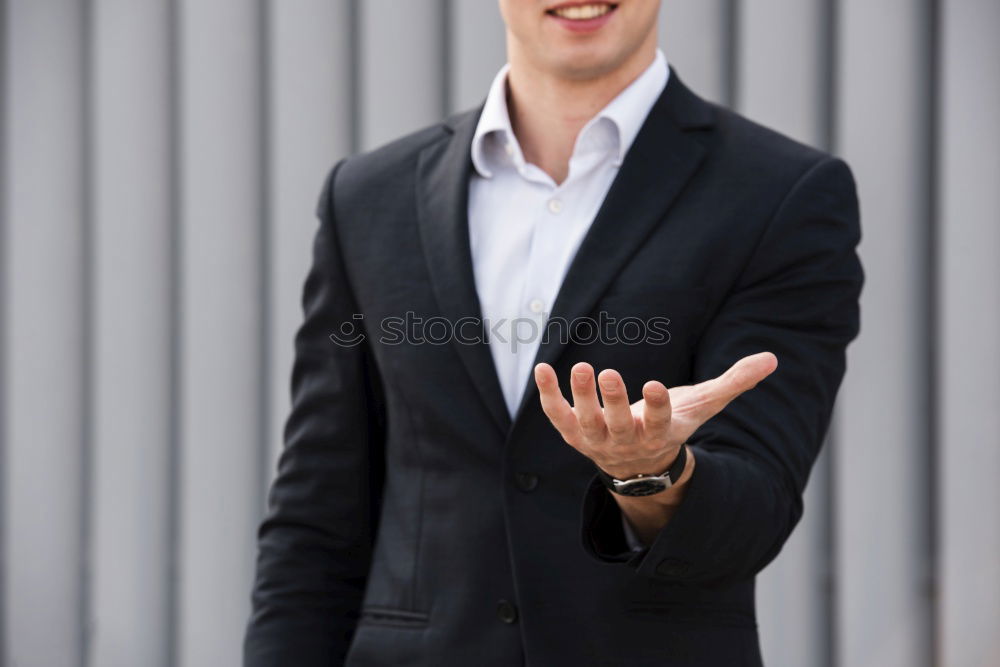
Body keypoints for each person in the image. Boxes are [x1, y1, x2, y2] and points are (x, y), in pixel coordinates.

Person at [244, 0, 863, 665]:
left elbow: (753, 514)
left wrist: (652, 474)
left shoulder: (780, 195)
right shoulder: (368, 197)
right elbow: (317, 521)